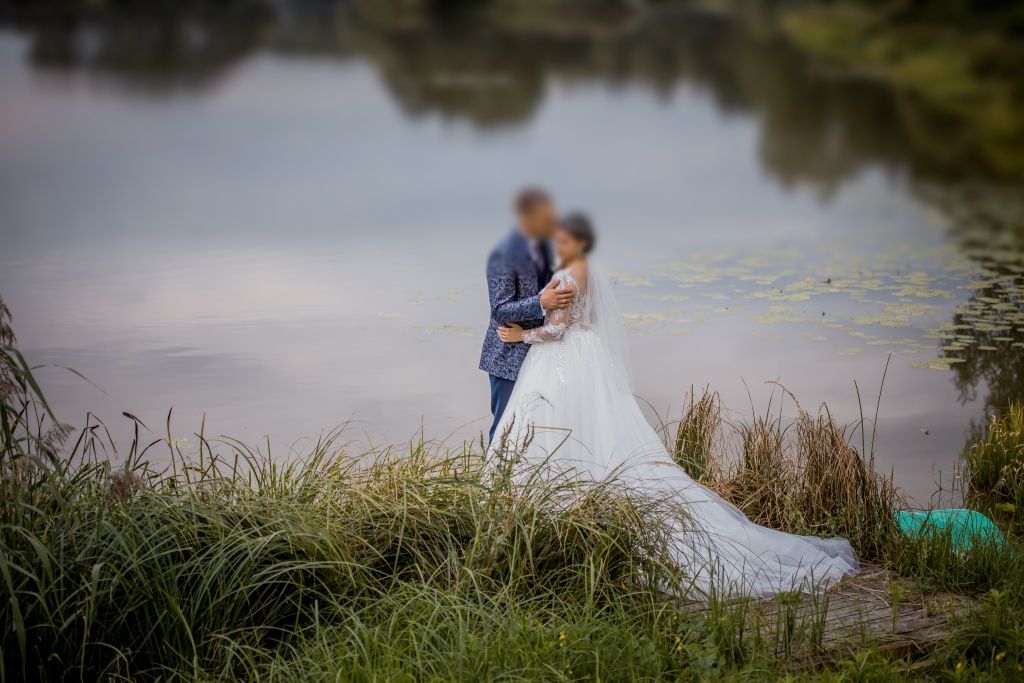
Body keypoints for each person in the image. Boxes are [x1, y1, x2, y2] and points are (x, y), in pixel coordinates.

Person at [492, 212, 858, 597]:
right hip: (588, 356)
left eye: (564, 241)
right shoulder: (586, 271)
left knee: (558, 425)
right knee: (598, 427)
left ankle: (555, 513)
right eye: (558, 240)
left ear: (580, 243)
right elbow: (590, 320)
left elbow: (556, 329)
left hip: (564, 357)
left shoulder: (567, 275)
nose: (558, 245)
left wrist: (522, 336)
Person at [479, 187, 574, 444]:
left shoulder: (546, 246)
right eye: (545, 218)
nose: (551, 222)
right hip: (507, 354)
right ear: (526, 218)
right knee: (505, 427)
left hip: (539, 350)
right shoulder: (503, 254)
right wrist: (541, 302)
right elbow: (500, 309)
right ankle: (496, 482)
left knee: (535, 427)